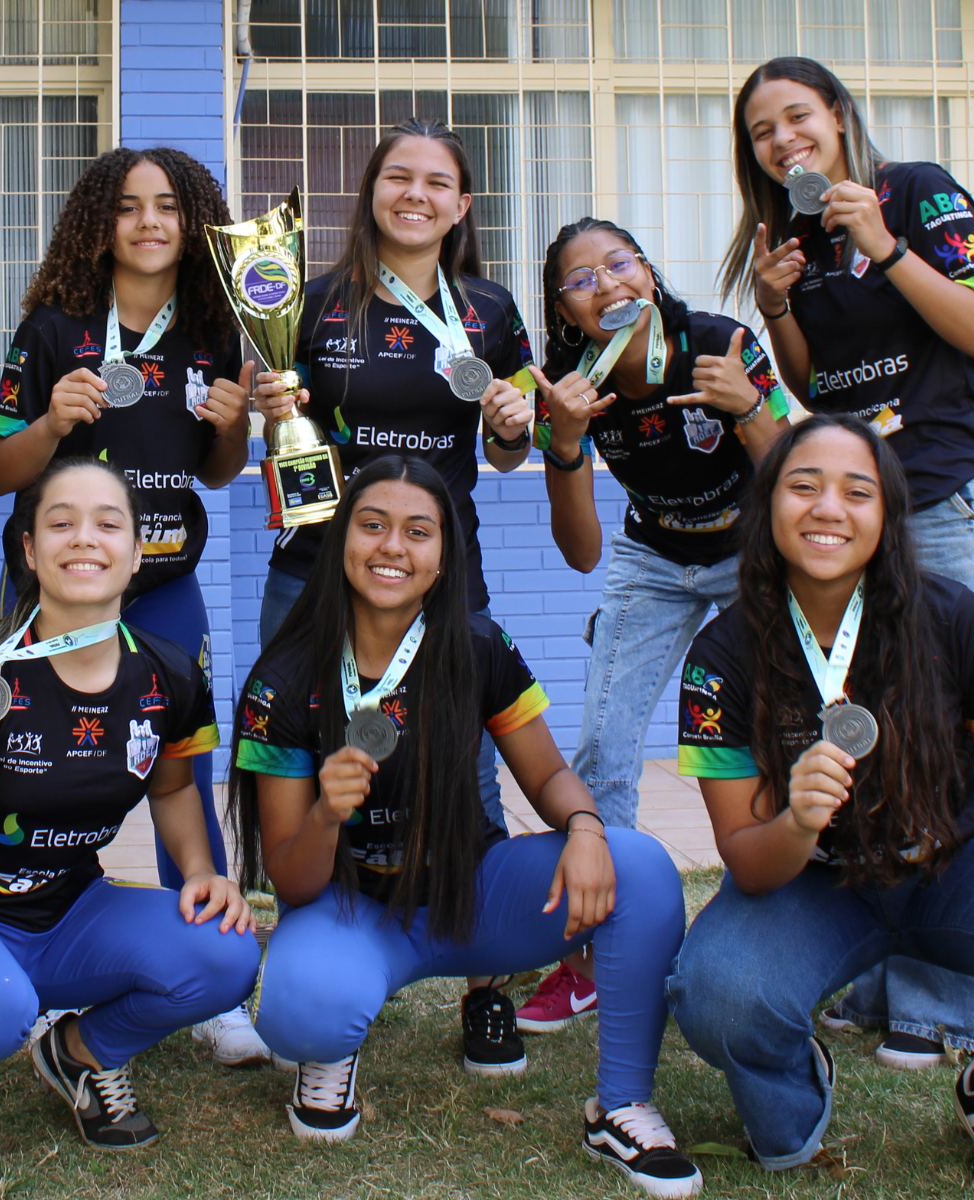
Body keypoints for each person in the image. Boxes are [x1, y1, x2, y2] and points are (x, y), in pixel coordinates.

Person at [669, 414, 974, 1194]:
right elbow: (748, 863)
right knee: (718, 993)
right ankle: (795, 1091)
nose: (829, 507)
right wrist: (795, 820)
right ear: (768, 508)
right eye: (804, 486)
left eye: (858, 492)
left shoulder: (955, 617)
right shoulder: (723, 654)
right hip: (810, 884)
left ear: (888, 516)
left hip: (952, 863)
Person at [234, 456, 702, 1200]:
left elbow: (546, 777)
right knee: (304, 1010)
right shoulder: (283, 678)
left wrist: (583, 826)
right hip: (353, 912)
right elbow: (292, 877)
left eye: (419, 532)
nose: (394, 547)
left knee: (637, 867)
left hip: (469, 896)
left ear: (445, 554)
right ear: (338, 538)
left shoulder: (479, 643)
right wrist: (326, 810)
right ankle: (335, 1046)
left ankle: (620, 1106)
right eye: (373, 525)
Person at [725, 55, 974, 1070]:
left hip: (948, 492)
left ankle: (952, 994)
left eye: (794, 117)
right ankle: (878, 966)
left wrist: (886, 246)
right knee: (876, 725)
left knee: (958, 723)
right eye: (761, 131)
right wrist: (773, 309)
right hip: (866, 514)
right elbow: (822, 389)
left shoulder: (917, 192)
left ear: (839, 116)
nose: (780, 141)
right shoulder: (792, 237)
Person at [0, 458, 260, 1191]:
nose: (84, 539)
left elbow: (174, 789)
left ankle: (80, 1052)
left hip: (68, 913)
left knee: (227, 956)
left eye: (107, 523)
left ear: (138, 549)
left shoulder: (170, 675)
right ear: (28, 549)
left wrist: (205, 871)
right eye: (60, 523)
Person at [249, 117, 538, 1067]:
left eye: (436, 181)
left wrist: (509, 421)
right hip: (314, 568)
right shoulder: (312, 299)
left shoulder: (490, 310)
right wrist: (271, 417)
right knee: (299, 765)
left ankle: (486, 984)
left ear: (462, 205)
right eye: (397, 177)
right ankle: (317, 953)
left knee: (468, 767)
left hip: (442, 578)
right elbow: (283, 430)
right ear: (371, 193)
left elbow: (509, 450)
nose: (415, 194)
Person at [0, 145, 265, 1066]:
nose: (149, 222)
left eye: (169, 207)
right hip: (54, 594)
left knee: (183, 760)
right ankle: (12, 942)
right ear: (99, 223)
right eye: (130, 206)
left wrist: (236, 428)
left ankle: (215, 961)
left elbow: (216, 474)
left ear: (195, 227)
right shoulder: (55, 329)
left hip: (167, 584)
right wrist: (53, 422)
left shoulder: (216, 331)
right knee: (22, 764)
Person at [514, 217, 790, 1032]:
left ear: (649, 271)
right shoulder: (564, 381)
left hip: (754, 557)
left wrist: (747, 410)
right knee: (601, 744)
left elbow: (797, 476)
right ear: (565, 314)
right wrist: (562, 442)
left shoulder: (720, 343)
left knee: (779, 735)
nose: (608, 285)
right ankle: (596, 955)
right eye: (582, 279)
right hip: (651, 561)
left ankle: (785, 927)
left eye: (620, 264)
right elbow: (582, 551)